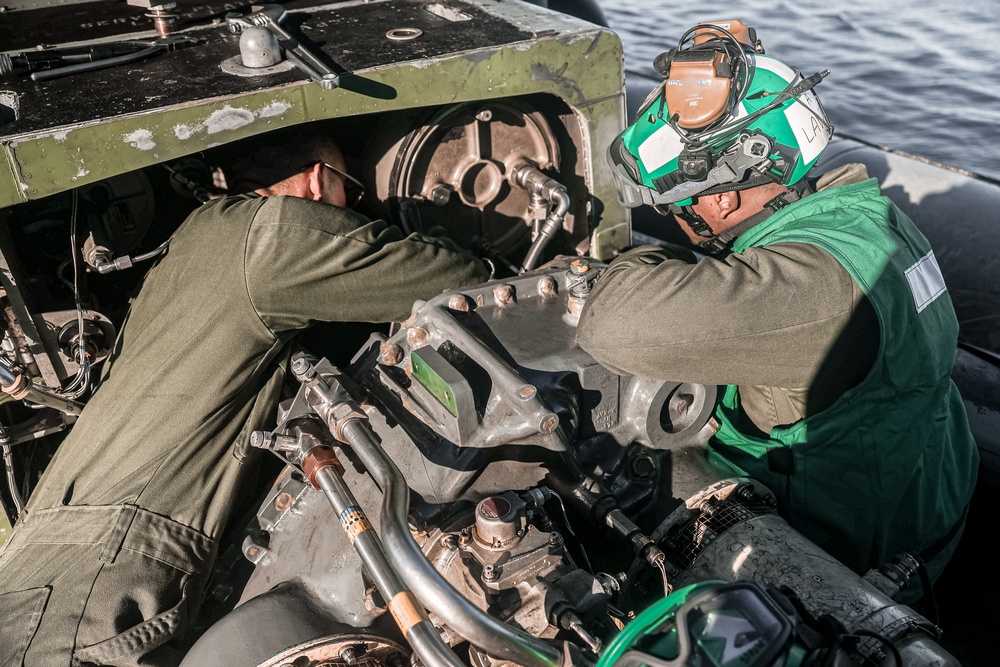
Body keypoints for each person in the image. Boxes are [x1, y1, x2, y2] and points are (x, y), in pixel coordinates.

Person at [0, 126, 488, 666]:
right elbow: (456, 279)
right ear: (317, 182)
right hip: (98, 584)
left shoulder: (185, 251)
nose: (355, 212)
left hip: (42, 566)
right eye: (353, 197)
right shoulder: (267, 235)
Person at [576, 21, 978, 592]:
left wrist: (644, 266)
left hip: (859, 554)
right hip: (922, 490)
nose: (678, 221)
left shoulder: (814, 288)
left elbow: (610, 323)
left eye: (678, 207)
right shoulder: (862, 218)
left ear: (725, 194)